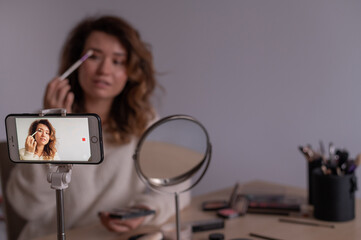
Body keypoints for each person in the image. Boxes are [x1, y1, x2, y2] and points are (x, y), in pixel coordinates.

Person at [7, 15, 190, 240]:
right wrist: (54, 128)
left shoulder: (143, 121)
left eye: (118, 61)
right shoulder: (44, 123)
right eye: (94, 57)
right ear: (77, 63)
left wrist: (144, 212)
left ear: (130, 71)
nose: (104, 70)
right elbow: (26, 206)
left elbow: (178, 189)